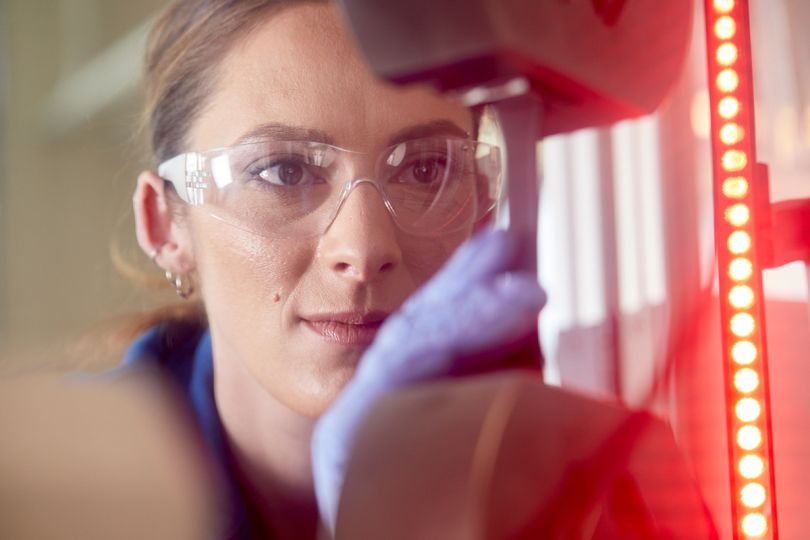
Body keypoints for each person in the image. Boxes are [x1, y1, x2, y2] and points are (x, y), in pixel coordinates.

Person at [127, 0, 545, 538]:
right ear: (164, 224)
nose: (365, 249)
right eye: (283, 170)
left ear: (485, 204)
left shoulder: (562, 459)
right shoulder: (54, 499)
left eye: (426, 169)